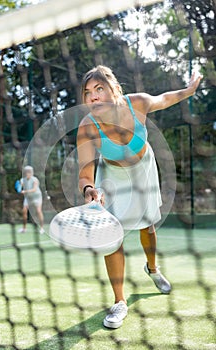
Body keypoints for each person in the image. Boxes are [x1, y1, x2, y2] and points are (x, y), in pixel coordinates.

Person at [77, 65, 202, 329]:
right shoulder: (87, 126)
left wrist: (189, 90)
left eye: (100, 89)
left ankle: (153, 268)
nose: (93, 96)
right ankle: (119, 302)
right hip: (111, 176)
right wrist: (89, 191)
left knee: (148, 226)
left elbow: (166, 98)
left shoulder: (138, 104)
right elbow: (85, 173)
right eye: (88, 92)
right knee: (112, 236)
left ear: (116, 90)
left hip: (143, 169)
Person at [18, 165, 45, 234]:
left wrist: (25, 191)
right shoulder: (22, 180)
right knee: (24, 211)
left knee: (38, 211)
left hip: (37, 197)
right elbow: (20, 186)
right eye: (26, 172)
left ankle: (42, 228)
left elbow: (34, 189)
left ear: (31, 172)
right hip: (28, 198)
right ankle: (24, 229)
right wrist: (19, 188)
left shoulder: (35, 180)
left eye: (29, 172)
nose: (28, 173)